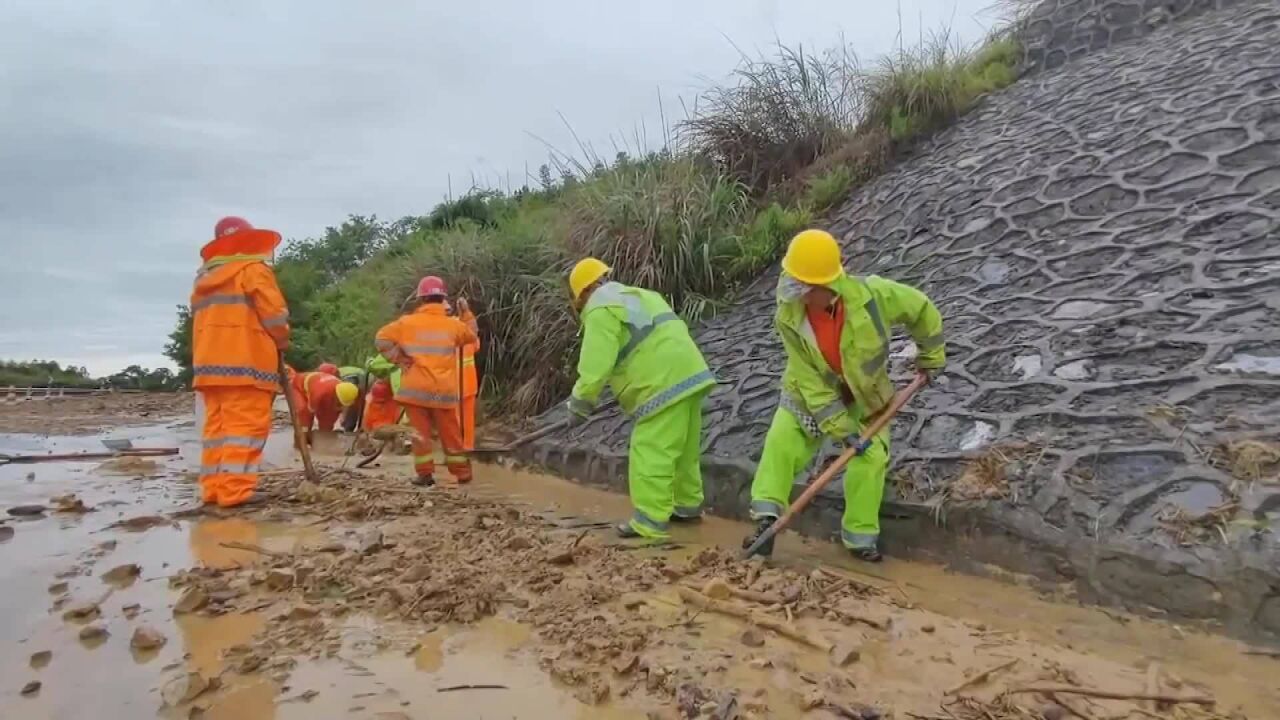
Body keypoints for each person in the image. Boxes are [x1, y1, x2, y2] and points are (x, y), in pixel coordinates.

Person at [742, 229, 945, 562]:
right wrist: (840, 429)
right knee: (782, 443)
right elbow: (809, 379)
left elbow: (922, 310)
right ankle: (766, 523)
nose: (803, 295)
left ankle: (860, 539)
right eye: (799, 286)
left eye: (810, 289)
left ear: (829, 285)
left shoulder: (875, 296)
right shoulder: (789, 312)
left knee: (871, 459)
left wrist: (931, 356)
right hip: (809, 395)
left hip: (867, 398)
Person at [565, 258, 715, 540]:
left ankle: (649, 522)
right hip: (690, 373)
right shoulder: (640, 295)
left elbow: (596, 364)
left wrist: (580, 402)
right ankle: (687, 505)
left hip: (659, 383)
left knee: (651, 449)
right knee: (683, 449)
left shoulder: (600, 308)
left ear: (583, 293)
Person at [190, 216, 290, 508]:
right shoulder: (253, 271)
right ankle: (235, 492)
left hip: (209, 368)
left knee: (217, 432)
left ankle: (213, 490)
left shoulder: (202, 281)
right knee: (245, 429)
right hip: (247, 364)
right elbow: (275, 316)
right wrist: (282, 341)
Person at [375, 275, 479, 487]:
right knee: (451, 435)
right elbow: (472, 336)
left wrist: (399, 358)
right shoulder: (453, 325)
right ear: (442, 299)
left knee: (420, 435)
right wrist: (466, 313)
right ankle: (462, 474)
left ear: (421, 299)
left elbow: (381, 339)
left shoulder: (406, 323)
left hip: (414, 390)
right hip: (442, 391)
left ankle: (424, 475)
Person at [288, 367, 359, 443]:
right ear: (336, 395)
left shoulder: (347, 391)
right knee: (304, 417)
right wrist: (306, 432)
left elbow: (340, 409)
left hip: (326, 393)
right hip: (299, 387)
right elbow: (311, 411)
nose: (340, 407)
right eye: (339, 403)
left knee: (326, 427)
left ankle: (319, 443)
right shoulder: (319, 394)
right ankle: (299, 444)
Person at [454, 297, 480, 450]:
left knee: (463, 419)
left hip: (464, 385)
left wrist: (466, 312)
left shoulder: (469, 340)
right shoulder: (452, 338)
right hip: (457, 385)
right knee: (458, 420)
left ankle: (465, 447)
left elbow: (473, 330)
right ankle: (461, 447)